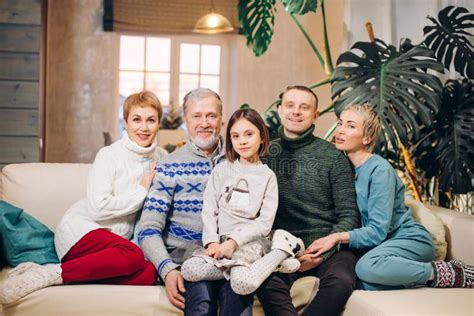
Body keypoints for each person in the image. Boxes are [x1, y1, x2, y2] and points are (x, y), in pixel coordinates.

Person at [0, 91, 167, 304]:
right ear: (125, 122)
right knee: (133, 255)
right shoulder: (109, 155)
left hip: (114, 249)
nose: (143, 127)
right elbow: (99, 207)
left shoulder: (162, 157)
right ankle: (50, 274)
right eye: (136, 119)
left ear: (158, 123)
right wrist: (142, 190)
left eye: (150, 120)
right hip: (83, 230)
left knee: (151, 273)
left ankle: (83, 272)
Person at [308, 104, 474, 289]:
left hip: (408, 241)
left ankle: (447, 273)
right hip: (378, 249)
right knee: (355, 280)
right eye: (340, 123)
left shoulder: (380, 170)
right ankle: (409, 277)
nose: (340, 130)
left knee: (365, 268)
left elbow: (378, 231)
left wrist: (336, 237)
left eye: (351, 126)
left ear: (367, 137)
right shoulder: (342, 168)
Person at [136, 88, 253, 315]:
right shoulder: (169, 166)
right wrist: (167, 269)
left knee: (239, 308)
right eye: (196, 116)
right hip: (186, 259)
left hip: (231, 258)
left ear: (221, 119)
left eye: (211, 115)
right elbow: (148, 228)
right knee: (201, 306)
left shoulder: (242, 162)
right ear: (186, 120)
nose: (204, 123)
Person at [256, 85, 360, 316]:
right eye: (290, 106)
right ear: (280, 110)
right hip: (281, 247)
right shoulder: (262, 155)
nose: (296, 112)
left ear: (316, 115)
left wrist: (322, 253)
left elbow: (349, 214)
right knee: (263, 281)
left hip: (328, 244)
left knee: (342, 280)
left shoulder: (333, 157)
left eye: (304, 108)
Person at [181, 108, 305, 296]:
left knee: (242, 284)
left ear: (262, 137)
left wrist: (234, 242)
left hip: (249, 243)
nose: (243, 141)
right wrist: (211, 241)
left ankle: (281, 250)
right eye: (236, 136)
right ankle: (274, 263)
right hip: (221, 244)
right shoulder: (221, 170)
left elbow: (264, 223)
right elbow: (209, 209)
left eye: (249, 134)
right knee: (189, 270)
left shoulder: (267, 176)